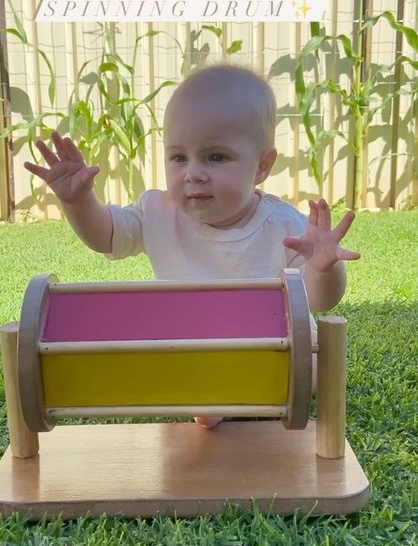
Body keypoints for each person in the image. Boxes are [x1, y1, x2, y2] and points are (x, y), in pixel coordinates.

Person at [24, 64, 360, 428]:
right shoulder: (156, 211)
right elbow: (106, 235)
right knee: (143, 346)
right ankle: (219, 396)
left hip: (272, 349)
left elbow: (320, 299)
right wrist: (78, 202)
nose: (193, 173)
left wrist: (325, 266)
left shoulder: (284, 226)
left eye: (215, 157)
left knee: (319, 356)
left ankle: (224, 399)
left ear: (262, 166)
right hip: (190, 346)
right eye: (179, 157)